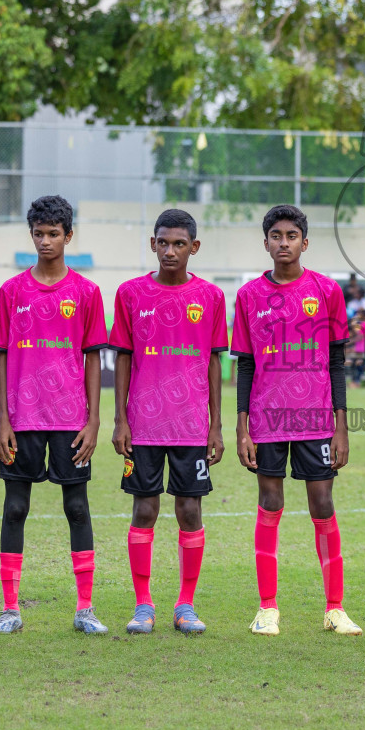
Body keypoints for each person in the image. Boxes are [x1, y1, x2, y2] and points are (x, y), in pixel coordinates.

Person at [233, 204, 360, 636]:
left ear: (305, 242)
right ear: (265, 242)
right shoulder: (249, 295)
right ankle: (267, 608)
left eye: (291, 236)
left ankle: (335, 608)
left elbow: (337, 362)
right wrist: (241, 424)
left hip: (316, 418)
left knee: (322, 505)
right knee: (270, 504)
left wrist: (341, 425)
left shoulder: (326, 291)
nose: (283, 242)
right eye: (276, 235)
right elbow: (246, 365)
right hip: (267, 419)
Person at [0, 195, 110, 635]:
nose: (45, 241)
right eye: (38, 233)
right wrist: (3, 418)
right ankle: (10, 609)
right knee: (15, 507)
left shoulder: (86, 292)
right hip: (22, 421)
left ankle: (84, 609)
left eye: (53, 234)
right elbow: (1, 356)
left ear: (68, 236)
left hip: (70, 421)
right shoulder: (12, 291)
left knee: (77, 507)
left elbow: (93, 359)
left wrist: (94, 420)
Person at [110, 208, 227, 636]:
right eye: (164, 242)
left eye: (180, 244)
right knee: (144, 508)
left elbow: (214, 361)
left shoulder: (211, 298)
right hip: (143, 424)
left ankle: (185, 604)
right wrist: (121, 419)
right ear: (153, 244)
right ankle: (144, 605)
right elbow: (123, 357)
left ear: (194, 247)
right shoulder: (130, 294)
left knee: (189, 509)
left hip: (192, 425)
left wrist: (215, 425)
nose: (170, 251)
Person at [347, 309, 365, 388]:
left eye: (358, 313)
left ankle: (356, 382)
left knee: (358, 365)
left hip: (362, 349)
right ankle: (355, 382)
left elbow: (359, 336)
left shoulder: (364, 324)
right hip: (359, 348)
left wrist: (349, 343)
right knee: (355, 364)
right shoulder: (361, 324)